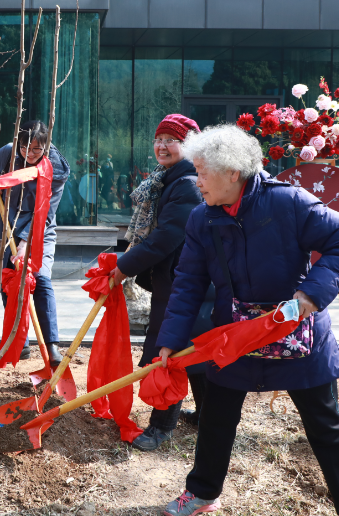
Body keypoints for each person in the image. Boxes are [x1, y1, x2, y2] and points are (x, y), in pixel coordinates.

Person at [155, 124, 339, 516]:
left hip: (298, 332)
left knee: (326, 424)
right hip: (235, 336)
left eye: (203, 172)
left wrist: (309, 296)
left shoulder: (288, 202)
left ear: (232, 173)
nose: (196, 181)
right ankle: (203, 492)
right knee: (216, 418)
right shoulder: (202, 219)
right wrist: (169, 340)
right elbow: (187, 283)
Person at [109, 114, 205, 452]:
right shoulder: (168, 178)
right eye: (159, 138)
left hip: (185, 282)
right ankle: (207, 414)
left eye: (172, 139)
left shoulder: (188, 182)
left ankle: (161, 427)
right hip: (180, 280)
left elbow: (166, 237)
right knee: (196, 350)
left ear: (190, 144)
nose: (162, 145)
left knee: (170, 350)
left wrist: (124, 268)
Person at [0, 120, 70, 364]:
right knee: (7, 278)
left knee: (41, 279)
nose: (30, 153)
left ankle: (51, 345)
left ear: (46, 146)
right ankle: (19, 341)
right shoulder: (8, 152)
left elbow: (45, 211)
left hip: (39, 228)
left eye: (37, 149)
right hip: (6, 225)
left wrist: (27, 241)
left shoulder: (55, 168)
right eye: (25, 148)